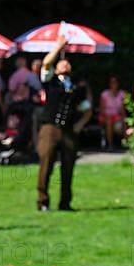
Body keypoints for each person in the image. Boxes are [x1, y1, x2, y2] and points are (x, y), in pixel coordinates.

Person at [36, 36, 92, 212]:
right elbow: (46, 63)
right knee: (46, 165)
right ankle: (43, 201)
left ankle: (65, 203)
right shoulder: (50, 82)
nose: (65, 65)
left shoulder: (77, 87)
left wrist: (80, 125)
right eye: (62, 63)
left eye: (68, 63)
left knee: (68, 167)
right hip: (50, 128)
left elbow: (87, 108)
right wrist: (58, 46)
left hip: (69, 130)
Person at [99, 75, 126, 151]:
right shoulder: (104, 94)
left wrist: (123, 118)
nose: (113, 84)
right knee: (109, 121)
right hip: (106, 116)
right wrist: (108, 116)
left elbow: (122, 109)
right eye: (112, 82)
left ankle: (127, 143)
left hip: (117, 116)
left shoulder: (122, 94)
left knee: (124, 121)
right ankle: (110, 144)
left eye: (115, 82)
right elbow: (102, 109)